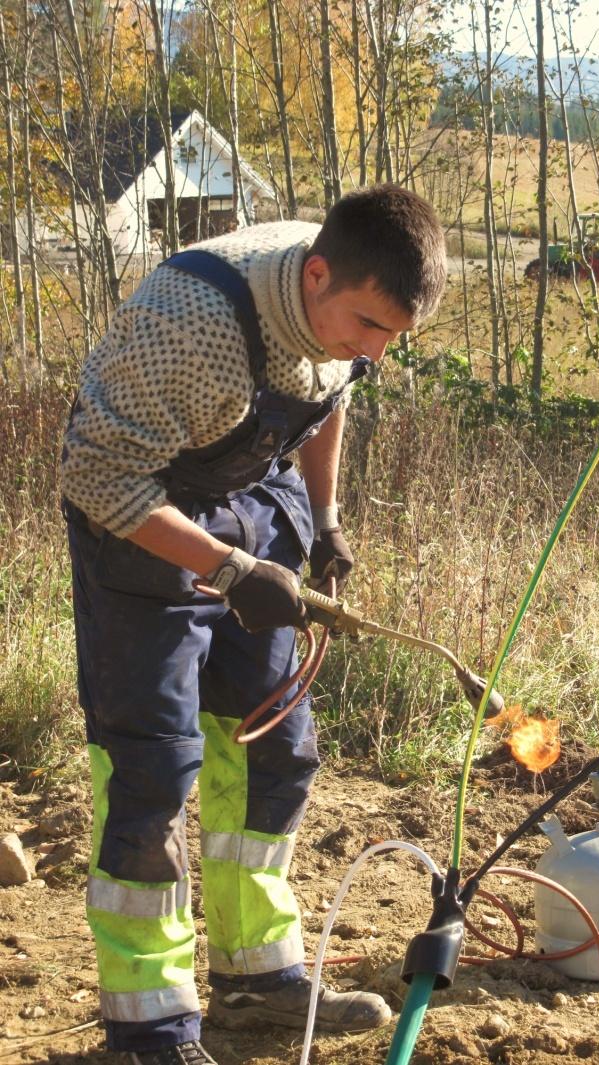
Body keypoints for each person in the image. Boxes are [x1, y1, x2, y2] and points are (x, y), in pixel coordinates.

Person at [61, 184, 448, 1065]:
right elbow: (99, 477)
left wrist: (325, 517)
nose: (376, 350)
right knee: (152, 766)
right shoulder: (192, 323)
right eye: (367, 326)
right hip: (139, 507)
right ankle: (147, 1022)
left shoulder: (346, 310)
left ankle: (256, 971)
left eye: (393, 335)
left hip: (250, 490)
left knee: (275, 743)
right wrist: (227, 569)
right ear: (315, 276)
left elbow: (330, 389)